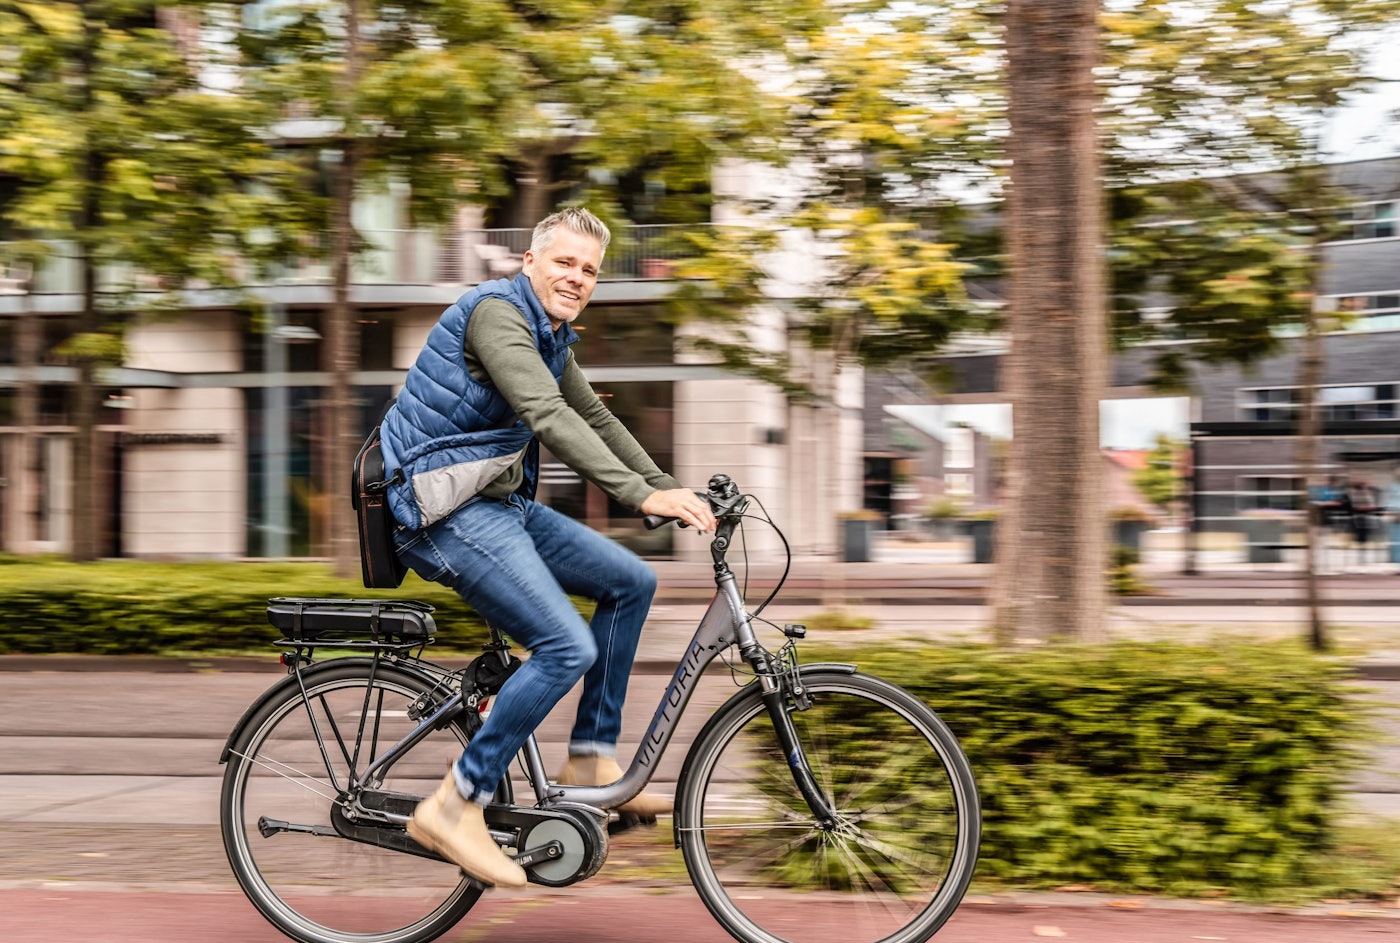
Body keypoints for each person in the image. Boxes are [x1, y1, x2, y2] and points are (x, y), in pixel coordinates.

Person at [378, 208, 717, 888]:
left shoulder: (551, 335)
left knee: (631, 581)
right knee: (566, 645)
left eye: (589, 270)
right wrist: (639, 496)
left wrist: (666, 487)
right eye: (564, 262)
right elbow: (548, 414)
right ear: (529, 262)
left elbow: (593, 416)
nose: (577, 277)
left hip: (496, 504)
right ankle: (454, 803)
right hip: (440, 510)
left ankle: (589, 757)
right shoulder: (497, 315)